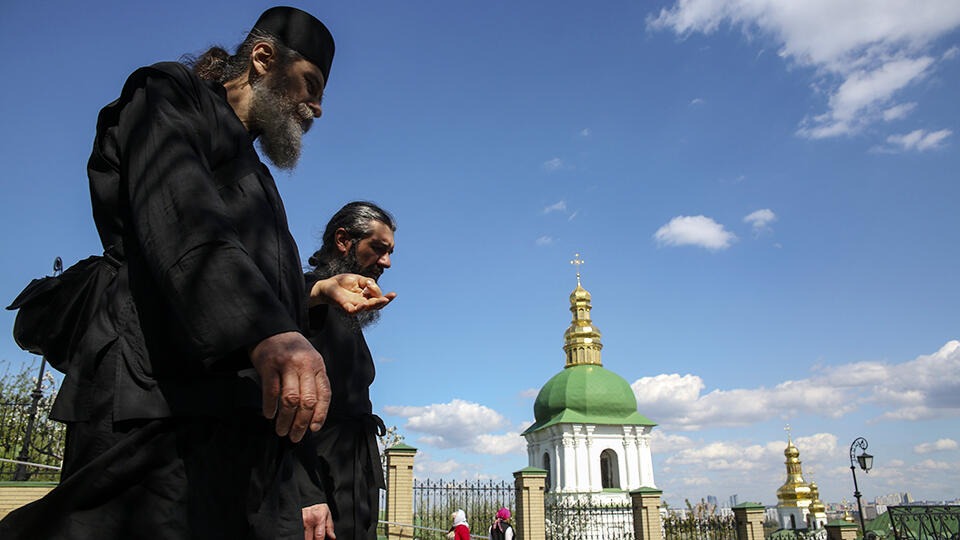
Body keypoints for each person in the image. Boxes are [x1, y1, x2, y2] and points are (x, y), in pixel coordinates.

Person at [0, 7, 391, 539]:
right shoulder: (166, 94)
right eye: (310, 84)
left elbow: (263, 292)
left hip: (240, 435)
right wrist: (264, 329)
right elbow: (180, 218)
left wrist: (318, 289)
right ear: (262, 58)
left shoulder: (260, 181)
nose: (317, 107)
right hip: (154, 404)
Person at [300, 201, 398, 539]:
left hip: (352, 479)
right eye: (378, 249)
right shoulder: (305, 297)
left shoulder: (344, 314)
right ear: (344, 240)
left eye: (390, 252)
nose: (386, 262)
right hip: (317, 481)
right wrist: (305, 492)